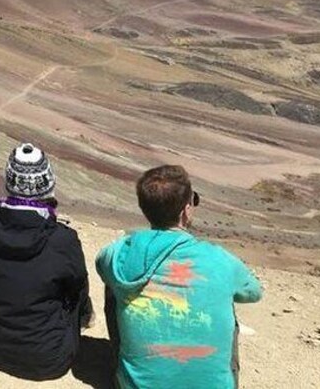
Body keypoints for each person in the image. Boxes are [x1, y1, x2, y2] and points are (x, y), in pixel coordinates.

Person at [96, 165, 263, 389]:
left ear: (143, 207)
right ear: (186, 210)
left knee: (115, 284)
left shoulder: (117, 254)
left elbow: (100, 264)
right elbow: (253, 293)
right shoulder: (220, 260)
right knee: (226, 297)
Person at [0, 143, 92, 380]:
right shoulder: (63, 240)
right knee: (75, 290)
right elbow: (77, 289)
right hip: (48, 360)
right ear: (48, 184)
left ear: (9, 182)